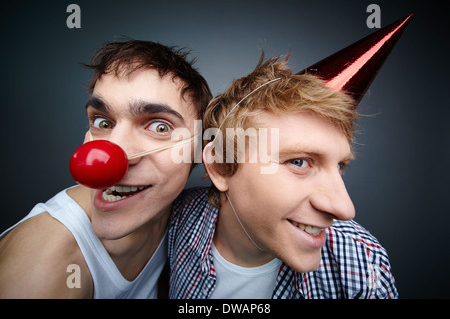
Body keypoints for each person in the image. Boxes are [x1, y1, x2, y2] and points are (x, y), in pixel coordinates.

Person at [168, 54, 398, 299]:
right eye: (298, 162)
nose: (344, 209)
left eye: (340, 165)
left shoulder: (363, 264)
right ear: (221, 166)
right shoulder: (172, 223)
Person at [0, 40, 212, 298]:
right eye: (103, 121)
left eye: (159, 127)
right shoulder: (44, 271)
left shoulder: (185, 218)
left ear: (200, 149)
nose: (115, 153)